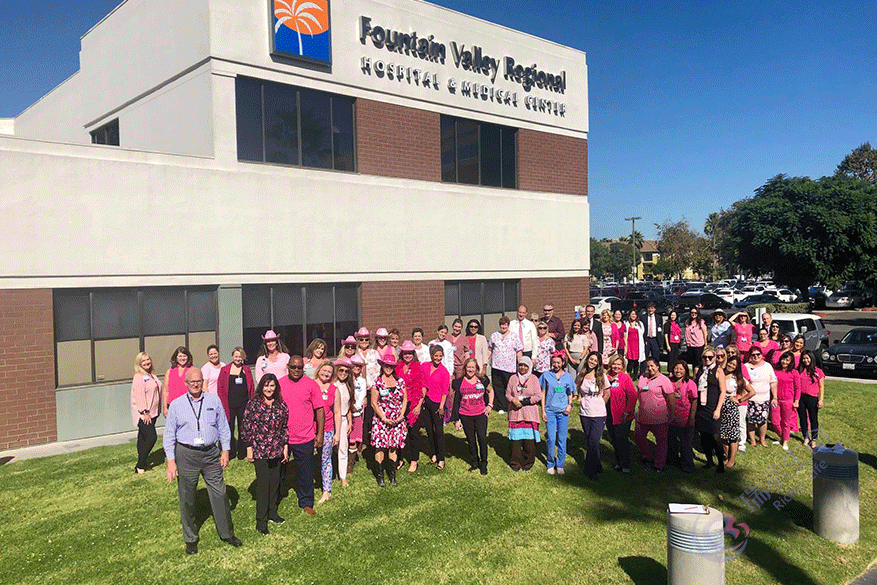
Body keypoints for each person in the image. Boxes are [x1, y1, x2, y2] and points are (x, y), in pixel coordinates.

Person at [164, 368, 241, 554]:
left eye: (199, 381)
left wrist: (226, 450)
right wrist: (171, 461)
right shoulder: (176, 405)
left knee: (219, 493)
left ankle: (226, 533)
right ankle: (190, 538)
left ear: (202, 381)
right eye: (192, 382)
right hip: (186, 455)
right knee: (187, 497)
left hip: (211, 453)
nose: (196, 384)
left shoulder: (213, 401)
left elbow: (223, 426)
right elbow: (168, 435)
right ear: (186, 384)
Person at [241, 374, 288, 535]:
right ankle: (261, 520)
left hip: (276, 449)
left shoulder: (281, 405)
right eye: (266, 385)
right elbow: (246, 426)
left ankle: (272, 512)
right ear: (261, 386)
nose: (269, 389)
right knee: (263, 485)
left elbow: (284, 428)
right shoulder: (253, 404)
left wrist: (285, 447)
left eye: (272, 386)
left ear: (276, 388)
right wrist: (249, 447)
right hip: (259, 450)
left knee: (275, 483)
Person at [278, 355, 324, 516]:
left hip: (305, 437)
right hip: (283, 438)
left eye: (299, 367)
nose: (296, 370)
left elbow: (319, 409)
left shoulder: (311, 385)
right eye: (293, 367)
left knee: (305, 473)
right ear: (288, 367)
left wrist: (319, 434)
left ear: (303, 368)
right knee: (278, 471)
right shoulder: (280, 384)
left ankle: (306, 501)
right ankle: (275, 498)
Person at [371, 350, 408, 487]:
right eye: (386, 365)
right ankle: (380, 478)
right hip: (382, 420)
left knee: (393, 447)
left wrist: (401, 415)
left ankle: (392, 477)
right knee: (380, 448)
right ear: (382, 365)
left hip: (397, 420)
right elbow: (373, 403)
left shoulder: (400, 381)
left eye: (391, 365)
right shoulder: (378, 382)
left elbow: (405, 399)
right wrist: (384, 418)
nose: (388, 368)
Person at [452, 358, 494, 475]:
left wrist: (490, 405)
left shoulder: (482, 380)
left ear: (476, 369)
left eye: (473, 367)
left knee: (482, 438)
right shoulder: (459, 382)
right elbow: (456, 401)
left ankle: (484, 463)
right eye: (468, 367)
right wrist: (456, 419)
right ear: (465, 368)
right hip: (465, 415)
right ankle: (475, 462)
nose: (470, 369)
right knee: (471, 440)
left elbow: (491, 391)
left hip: (480, 414)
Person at [635, 358, 675, 473]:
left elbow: (671, 398)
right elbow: (639, 392)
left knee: (661, 441)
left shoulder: (664, 380)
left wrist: (672, 413)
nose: (650, 368)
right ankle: (647, 456)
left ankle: (659, 465)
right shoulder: (643, 377)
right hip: (643, 414)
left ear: (658, 366)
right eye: (648, 366)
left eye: (652, 366)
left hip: (659, 416)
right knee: (639, 436)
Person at [217, 347, 256, 460]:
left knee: (243, 428)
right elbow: (220, 387)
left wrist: (251, 402)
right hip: (229, 404)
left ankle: (242, 452)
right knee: (229, 428)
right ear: (232, 356)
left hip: (243, 404)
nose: (238, 358)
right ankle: (231, 452)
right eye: (236, 356)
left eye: (240, 356)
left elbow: (251, 387)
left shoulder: (246, 370)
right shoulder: (225, 370)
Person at [576, 351, 610, 480]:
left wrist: (600, 403)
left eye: (595, 361)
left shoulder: (602, 376)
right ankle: (597, 464)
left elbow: (607, 393)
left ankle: (589, 470)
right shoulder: (582, 375)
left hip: (598, 414)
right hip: (585, 413)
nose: (592, 362)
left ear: (598, 363)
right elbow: (579, 390)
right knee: (589, 441)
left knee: (594, 442)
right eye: (591, 359)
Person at [396, 341, 428, 472]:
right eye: (405, 353)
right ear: (402, 353)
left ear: (413, 353)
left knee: (413, 433)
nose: (408, 355)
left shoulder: (418, 367)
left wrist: (419, 404)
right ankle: (399, 459)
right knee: (399, 433)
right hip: (398, 403)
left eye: (410, 353)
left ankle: (414, 461)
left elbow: (424, 387)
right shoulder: (397, 367)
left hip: (413, 403)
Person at [506, 356, 542, 471]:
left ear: (529, 367)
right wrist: (513, 400)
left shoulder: (534, 379)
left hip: (529, 414)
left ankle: (528, 462)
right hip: (515, 413)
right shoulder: (513, 378)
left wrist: (526, 402)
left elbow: (538, 396)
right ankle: (515, 462)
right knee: (516, 441)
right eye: (520, 365)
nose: (522, 367)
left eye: (525, 365)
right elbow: (507, 394)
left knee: (529, 441)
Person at [541, 353, 575, 475]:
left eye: (558, 362)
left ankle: (560, 464)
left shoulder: (568, 377)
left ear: (563, 363)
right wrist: (543, 410)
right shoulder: (546, 375)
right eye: (554, 362)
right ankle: (550, 463)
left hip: (563, 412)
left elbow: (570, 393)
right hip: (550, 411)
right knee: (551, 438)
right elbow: (543, 393)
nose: (556, 365)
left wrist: (569, 405)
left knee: (561, 439)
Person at [693, 346, 725, 472]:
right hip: (701, 408)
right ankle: (709, 461)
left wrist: (718, 409)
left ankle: (721, 462)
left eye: (710, 357)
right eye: (705, 357)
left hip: (713, 407)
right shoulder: (699, 369)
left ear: (714, 358)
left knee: (715, 437)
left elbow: (723, 392)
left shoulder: (718, 371)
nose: (707, 359)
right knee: (704, 436)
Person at [314, 362, 341, 502]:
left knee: (325, 460)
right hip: (309, 430)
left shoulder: (334, 389)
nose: (326, 373)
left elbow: (337, 412)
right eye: (324, 370)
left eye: (329, 372)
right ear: (319, 370)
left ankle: (326, 490)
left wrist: (337, 433)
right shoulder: (311, 385)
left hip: (328, 429)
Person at [605, 353, 637, 474]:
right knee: (613, 439)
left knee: (622, 440)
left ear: (623, 366)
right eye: (614, 363)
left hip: (623, 415)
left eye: (619, 364)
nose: (616, 366)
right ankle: (619, 462)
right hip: (609, 414)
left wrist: (627, 411)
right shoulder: (606, 377)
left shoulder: (625, 378)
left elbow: (633, 396)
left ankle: (625, 464)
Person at [721, 355, 754, 468]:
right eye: (730, 363)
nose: (731, 365)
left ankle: (731, 460)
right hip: (719, 407)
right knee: (722, 435)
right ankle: (727, 455)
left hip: (731, 408)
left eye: (734, 364)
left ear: (737, 367)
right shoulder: (720, 374)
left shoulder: (738, 378)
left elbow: (752, 392)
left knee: (732, 436)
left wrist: (739, 399)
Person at [131, 352, 161, 474]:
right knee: (151, 437)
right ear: (139, 363)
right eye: (143, 361)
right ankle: (140, 464)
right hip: (144, 414)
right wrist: (145, 411)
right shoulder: (139, 376)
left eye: (148, 360)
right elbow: (139, 395)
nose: (146, 362)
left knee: (143, 438)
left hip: (153, 413)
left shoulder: (151, 375)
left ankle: (142, 463)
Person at [421, 344, 450, 469]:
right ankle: (433, 454)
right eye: (435, 355)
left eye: (440, 356)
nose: (438, 358)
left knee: (438, 431)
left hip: (437, 403)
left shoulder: (444, 372)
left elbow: (445, 391)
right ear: (431, 355)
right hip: (425, 401)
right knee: (429, 430)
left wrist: (442, 407)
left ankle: (441, 459)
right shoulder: (425, 366)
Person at [488, 315, 524, 414]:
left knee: (509, 387)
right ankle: (501, 406)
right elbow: (490, 349)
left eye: (505, 325)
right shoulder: (494, 335)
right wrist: (485, 360)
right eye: (502, 325)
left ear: (508, 325)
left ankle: (511, 404)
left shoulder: (514, 336)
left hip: (510, 367)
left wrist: (520, 362)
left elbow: (519, 351)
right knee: (498, 386)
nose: (503, 327)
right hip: (496, 366)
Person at [666, 360, 697, 473]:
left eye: (681, 369)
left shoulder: (690, 383)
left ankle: (687, 465)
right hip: (671, 418)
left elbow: (694, 401)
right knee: (671, 442)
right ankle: (672, 461)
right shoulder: (669, 382)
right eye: (676, 368)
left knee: (685, 444)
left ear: (685, 371)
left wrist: (692, 418)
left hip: (685, 419)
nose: (678, 371)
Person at [744, 347, 776, 448]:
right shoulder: (746, 367)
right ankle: (752, 439)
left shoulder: (768, 366)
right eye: (753, 355)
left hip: (764, 398)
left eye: (758, 354)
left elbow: (773, 382)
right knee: (751, 421)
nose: (756, 357)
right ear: (750, 356)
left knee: (763, 421)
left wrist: (774, 396)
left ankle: (762, 439)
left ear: (762, 355)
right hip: (751, 398)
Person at [333, 357, 355, 487]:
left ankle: (343, 477)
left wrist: (350, 421)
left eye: (346, 371)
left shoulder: (348, 385)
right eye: (341, 370)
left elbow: (349, 405)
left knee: (343, 448)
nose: (343, 373)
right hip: (332, 419)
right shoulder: (332, 384)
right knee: (329, 449)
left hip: (343, 419)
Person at [772, 352, 800, 451]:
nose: (785, 362)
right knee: (775, 421)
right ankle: (782, 436)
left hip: (788, 400)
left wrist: (796, 400)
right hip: (776, 400)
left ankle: (785, 441)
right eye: (783, 359)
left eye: (787, 360)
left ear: (791, 362)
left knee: (786, 422)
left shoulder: (794, 372)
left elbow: (798, 388)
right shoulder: (776, 371)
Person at [797, 350, 825, 449]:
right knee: (802, 418)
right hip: (801, 397)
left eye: (807, 358)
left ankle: (814, 439)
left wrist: (820, 400)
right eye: (804, 358)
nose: (805, 360)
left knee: (813, 419)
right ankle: (805, 437)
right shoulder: (799, 370)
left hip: (812, 397)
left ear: (811, 359)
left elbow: (821, 387)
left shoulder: (818, 371)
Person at [347, 354, 368, 473]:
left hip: (356, 413)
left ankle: (350, 464)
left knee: (353, 439)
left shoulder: (362, 381)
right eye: (354, 366)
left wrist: (355, 407)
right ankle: (342, 461)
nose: (356, 368)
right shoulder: (346, 380)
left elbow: (362, 396)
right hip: (346, 412)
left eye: (359, 366)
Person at [162, 346, 194, 417]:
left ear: (188, 357)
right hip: (172, 406)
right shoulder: (170, 371)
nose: (182, 358)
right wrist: (165, 408)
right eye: (180, 356)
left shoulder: (192, 370)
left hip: (188, 406)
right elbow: (165, 391)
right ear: (176, 357)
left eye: (184, 356)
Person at [625, 310, 645, 377]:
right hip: (629, 345)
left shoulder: (640, 324)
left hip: (637, 345)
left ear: (637, 316)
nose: (633, 316)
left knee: (636, 361)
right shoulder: (626, 323)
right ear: (629, 315)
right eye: (632, 314)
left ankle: (635, 375)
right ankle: (628, 373)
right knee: (630, 360)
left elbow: (642, 333)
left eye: (634, 314)